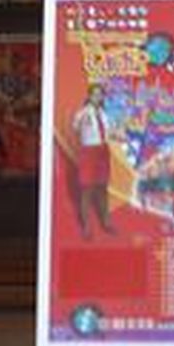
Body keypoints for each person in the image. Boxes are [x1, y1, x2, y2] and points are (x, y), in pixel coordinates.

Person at [70, 83, 116, 239]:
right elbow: (75, 127)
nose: (97, 97)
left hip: (103, 151)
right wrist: (83, 120)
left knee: (103, 188)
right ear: (89, 96)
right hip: (89, 152)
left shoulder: (104, 114)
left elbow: (110, 132)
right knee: (87, 190)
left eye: (100, 94)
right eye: (94, 94)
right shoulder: (83, 113)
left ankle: (106, 222)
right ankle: (86, 227)